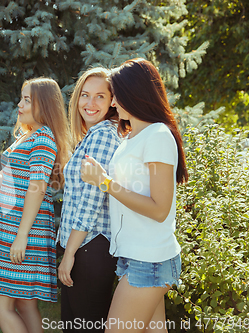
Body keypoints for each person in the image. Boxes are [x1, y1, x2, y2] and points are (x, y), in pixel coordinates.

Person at [80, 58, 188, 333]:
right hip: (134, 256)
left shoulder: (157, 135)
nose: (113, 104)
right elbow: (133, 187)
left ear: (134, 94)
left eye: (116, 95)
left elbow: (159, 208)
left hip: (149, 259)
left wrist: (104, 182)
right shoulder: (131, 137)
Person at [0, 77, 71, 333]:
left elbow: (37, 187)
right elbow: (14, 182)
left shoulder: (43, 138)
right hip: (15, 226)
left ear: (44, 105)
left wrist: (21, 236)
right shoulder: (29, 136)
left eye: (27, 100)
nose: (20, 105)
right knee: (24, 305)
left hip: (24, 229)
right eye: (21, 98)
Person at [56, 67, 121, 332]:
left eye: (100, 97)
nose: (90, 103)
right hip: (82, 246)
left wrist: (69, 253)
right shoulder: (92, 136)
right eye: (85, 95)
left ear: (112, 102)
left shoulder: (104, 135)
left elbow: (91, 201)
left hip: (89, 248)